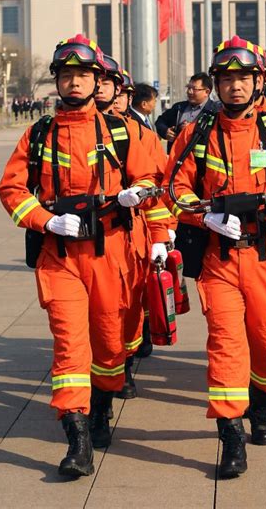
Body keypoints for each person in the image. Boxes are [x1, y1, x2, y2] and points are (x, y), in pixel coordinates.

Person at [0, 34, 163, 478]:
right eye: (66, 75)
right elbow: (12, 189)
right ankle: (77, 438)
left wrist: (137, 195)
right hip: (61, 254)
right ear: (57, 82)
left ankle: (102, 404)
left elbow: (152, 180)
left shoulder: (125, 131)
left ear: (98, 80)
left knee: (110, 344)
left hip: (114, 251)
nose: (74, 83)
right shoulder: (37, 134)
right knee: (70, 345)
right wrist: (45, 221)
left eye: (83, 75)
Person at [163, 35, 266, 479]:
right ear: (216, 84)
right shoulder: (198, 133)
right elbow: (174, 189)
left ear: (259, 81)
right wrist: (204, 217)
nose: (235, 86)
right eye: (227, 78)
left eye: (243, 78)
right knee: (226, 345)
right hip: (220, 259)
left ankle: (263, 402)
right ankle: (231, 434)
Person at [95, 58, 172, 394]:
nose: (114, 100)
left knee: (132, 303)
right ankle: (108, 380)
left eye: (120, 94)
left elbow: (159, 183)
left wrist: (164, 231)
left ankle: (124, 363)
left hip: (134, 230)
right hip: (89, 239)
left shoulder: (141, 135)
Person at [155, 73, 219, 152]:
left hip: (199, 160)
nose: (189, 92)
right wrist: (165, 131)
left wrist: (193, 129)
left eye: (194, 89)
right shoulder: (179, 107)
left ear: (207, 92)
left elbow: (216, 136)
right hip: (176, 157)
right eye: (188, 88)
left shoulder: (215, 111)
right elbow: (160, 121)